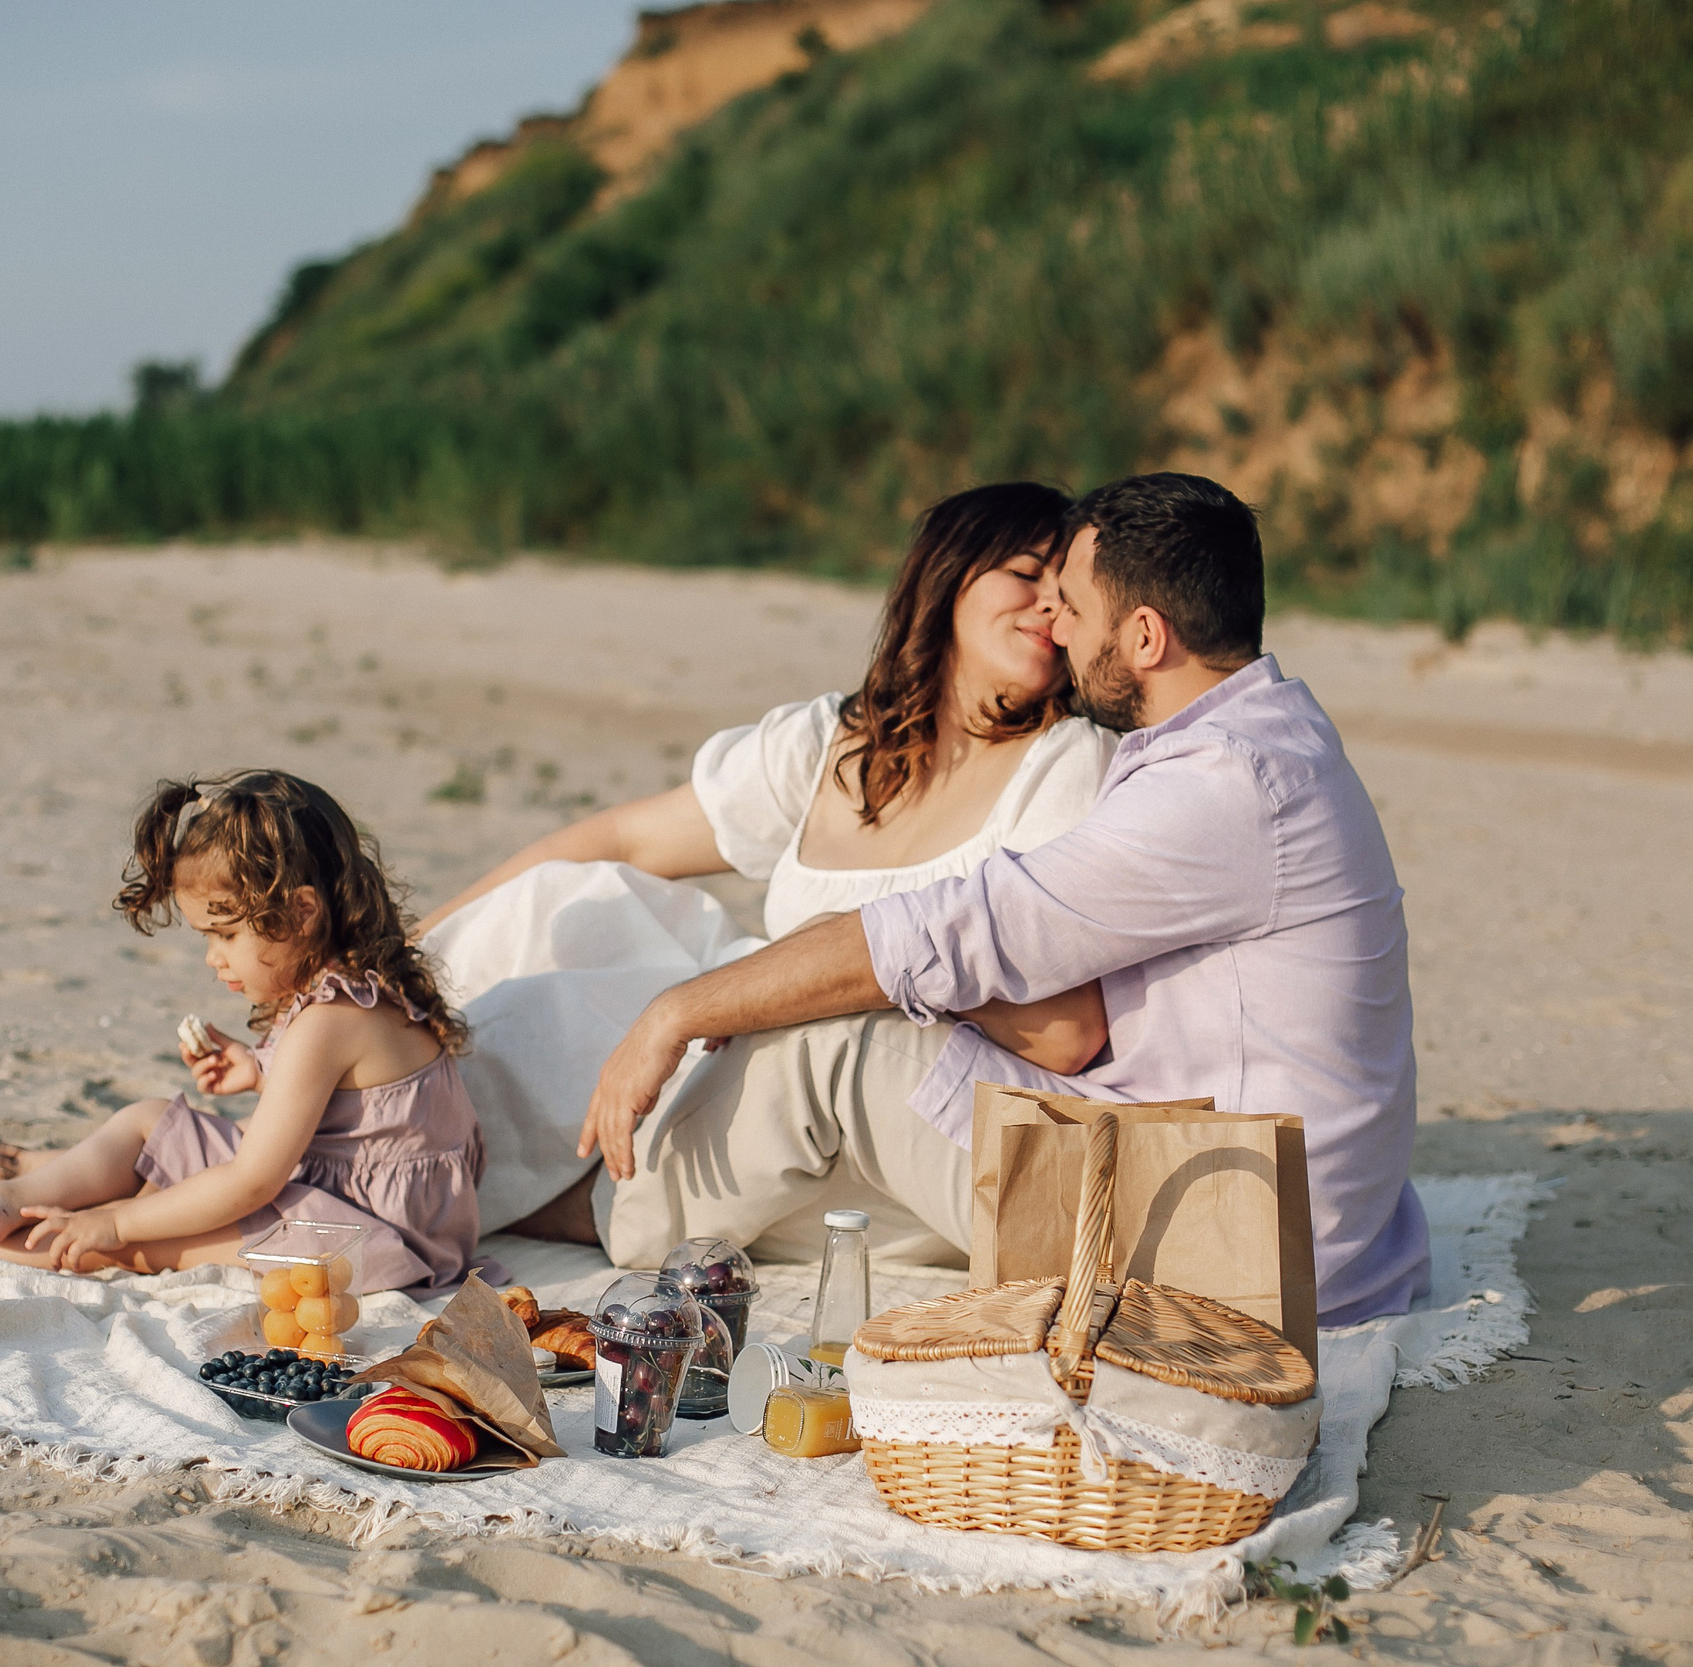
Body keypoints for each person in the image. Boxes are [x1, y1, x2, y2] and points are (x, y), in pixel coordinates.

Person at [580, 472, 1432, 1325]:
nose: (1053, 626)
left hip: (1218, 1249)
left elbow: (950, 935)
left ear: (1143, 634)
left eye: (1072, 606)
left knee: (838, 1042)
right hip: (1274, 1212)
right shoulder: (1271, 735)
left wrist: (678, 1012)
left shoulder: (1219, 787)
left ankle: (599, 1216)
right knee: (869, 1019)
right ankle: (633, 1201)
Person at [417, 482, 1121, 1243]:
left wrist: (811, 978)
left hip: (898, 1124)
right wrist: (404, 951)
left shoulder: (1066, 768)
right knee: (561, 904)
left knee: (786, 1034)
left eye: (1069, 594)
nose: (1050, 606)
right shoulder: (838, 741)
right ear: (948, 577)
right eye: (1026, 572)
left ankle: (544, 1203)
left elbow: (1064, 1031)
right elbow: (628, 839)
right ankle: (351, 1051)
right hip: (767, 1082)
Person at [0, 770, 484, 1297]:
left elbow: (251, 1183)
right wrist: (259, 1069)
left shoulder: (329, 1020)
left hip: (371, 1244)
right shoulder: (358, 989)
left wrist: (117, 1223)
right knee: (148, 1118)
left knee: (141, 1243)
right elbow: (361, 1097)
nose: (214, 958)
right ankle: (5, 1201)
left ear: (300, 910)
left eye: (226, 934)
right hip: (332, 1194)